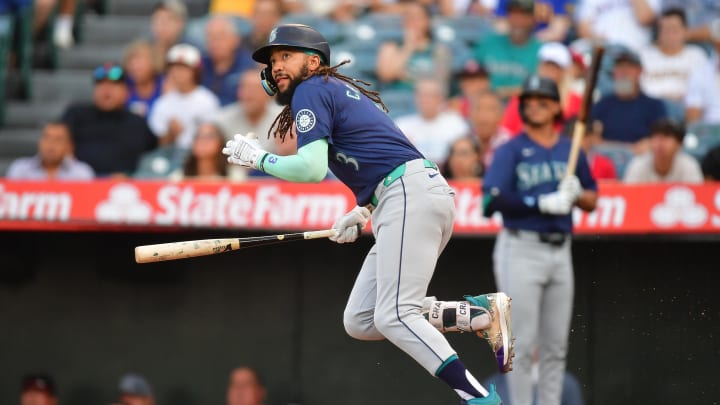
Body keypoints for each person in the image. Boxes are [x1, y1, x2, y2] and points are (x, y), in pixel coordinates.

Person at [222, 23, 514, 405]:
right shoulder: (326, 90)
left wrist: (259, 159)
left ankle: (478, 397)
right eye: (273, 60)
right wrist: (364, 209)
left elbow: (311, 170)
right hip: (405, 195)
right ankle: (474, 314)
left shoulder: (311, 89)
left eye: (286, 56)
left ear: (313, 62)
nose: (277, 65)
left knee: (394, 314)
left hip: (410, 195)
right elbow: (379, 151)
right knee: (362, 319)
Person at [482, 76, 598, 405]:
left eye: (542, 100)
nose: (534, 104)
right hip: (521, 247)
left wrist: (578, 194)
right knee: (521, 343)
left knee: (555, 347)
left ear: (557, 107)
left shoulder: (569, 148)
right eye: (529, 100)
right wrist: (539, 202)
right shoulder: (512, 149)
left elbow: (593, 198)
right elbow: (489, 201)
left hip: (560, 251)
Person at [61, 62, 158, 177]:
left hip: (124, 189)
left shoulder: (138, 124)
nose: (107, 90)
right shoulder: (76, 116)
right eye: (101, 84)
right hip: (79, 184)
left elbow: (153, 158)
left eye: (114, 85)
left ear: (126, 92)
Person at [590, 50, 667, 152]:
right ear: (614, 72)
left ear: (640, 72)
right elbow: (590, 135)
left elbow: (663, 137)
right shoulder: (602, 104)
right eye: (620, 68)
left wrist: (648, 143)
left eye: (629, 68)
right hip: (607, 156)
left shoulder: (654, 106)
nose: (624, 72)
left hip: (640, 158)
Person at [501, 41, 582, 136]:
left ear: (564, 71)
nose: (550, 71)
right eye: (547, 65)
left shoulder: (576, 101)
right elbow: (508, 131)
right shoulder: (522, 98)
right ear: (539, 66)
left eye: (555, 67)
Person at [149, 43, 220, 149]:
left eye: (183, 68)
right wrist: (171, 133)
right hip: (171, 156)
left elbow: (214, 138)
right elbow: (160, 144)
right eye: (174, 67)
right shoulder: (162, 103)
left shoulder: (207, 100)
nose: (178, 72)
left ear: (195, 71)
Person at [213, 69, 294, 156]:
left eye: (255, 89)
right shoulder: (222, 120)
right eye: (244, 87)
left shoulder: (286, 119)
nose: (248, 94)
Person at [472, 0, 542, 100]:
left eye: (523, 14)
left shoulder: (541, 50)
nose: (518, 20)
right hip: (486, 104)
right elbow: (471, 74)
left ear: (532, 19)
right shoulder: (490, 42)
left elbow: (538, 87)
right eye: (514, 14)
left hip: (521, 106)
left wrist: (501, 93)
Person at [394, 76, 470, 166]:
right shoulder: (402, 125)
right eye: (421, 95)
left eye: (430, 95)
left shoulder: (456, 123)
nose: (425, 100)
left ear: (441, 98)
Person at [375, 2, 452, 90]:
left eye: (417, 17)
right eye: (407, 16)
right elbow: (386, 75)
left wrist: (404, 74)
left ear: (427, 21)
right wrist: (408, 48)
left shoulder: (439, 49)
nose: (411, 21)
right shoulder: (390, 46)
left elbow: (440, 80)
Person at [639, 8, 710, 103]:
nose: (670, 35)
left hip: (687, 109)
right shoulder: (644, 55)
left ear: (685, 31)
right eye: (665, 30)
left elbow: (705, 91)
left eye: (674, 30)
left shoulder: (697, 56)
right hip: (652, 110)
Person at [6, 121, 94, 180]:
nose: (51, 144)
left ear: (69, 146)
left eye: (58, 139)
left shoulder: (81, 173)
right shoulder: (19, 169)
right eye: (46, 137)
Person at [623, 119, 704, 183]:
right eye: (656, 137)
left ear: (679, 144)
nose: (659, 143)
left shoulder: (689, 165)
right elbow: (629, 195)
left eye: (666, 137)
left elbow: (697, 196)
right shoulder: (638, 164)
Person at [201, 15, 256, 106]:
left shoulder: (248, 65)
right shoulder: (200, 65)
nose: (215, 42)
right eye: (210, 37)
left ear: (236, 40)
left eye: (220, 37)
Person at [170, 122, 244, 181]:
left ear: (221, 143)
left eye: (210, 136)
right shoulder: (178, 178)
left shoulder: (235, 176)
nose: (203, 141)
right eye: (198, 136)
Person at [576, 0, 661, 52]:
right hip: (603, 51)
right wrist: (596, 38)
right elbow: (583, 29)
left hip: (635, 52)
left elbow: (646, 18)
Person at [467, 91, 512, 171]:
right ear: (470, 114)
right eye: (479, 109)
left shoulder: (510, 144)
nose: (483, 115)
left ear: (501, 115)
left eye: (490, 109)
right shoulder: (465, 142)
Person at [493, 0, 574, 43]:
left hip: (545, 45)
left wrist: (530, 44)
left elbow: (558, 32)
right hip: (512, 42)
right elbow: (500, 25)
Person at [123, 39, 165, 119]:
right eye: (131, 61)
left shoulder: (165, 85)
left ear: (154, 62)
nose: (135, 67)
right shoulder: (123, 85)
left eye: (141, 61)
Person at [150, 0, 188, 68]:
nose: (161, 25)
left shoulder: (190, 54)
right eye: (158, 19)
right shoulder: (145, 52)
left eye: (168, 20)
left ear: (181, 23)